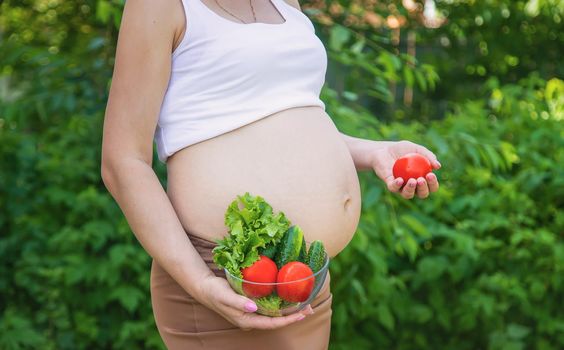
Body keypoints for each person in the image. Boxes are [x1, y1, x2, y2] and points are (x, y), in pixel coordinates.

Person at [100, 0, 441, 349]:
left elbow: (289, 120)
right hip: (229, 284)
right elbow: (123, 160)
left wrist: (375, 152)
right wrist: (201, 282)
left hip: (304, 281)